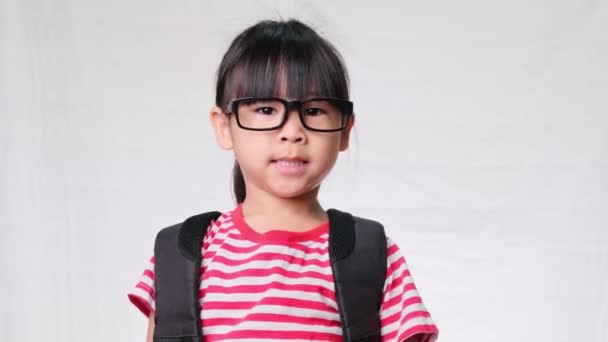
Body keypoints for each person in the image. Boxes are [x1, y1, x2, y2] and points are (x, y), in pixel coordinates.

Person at [128, 19, 439, 342]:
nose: (292, 131)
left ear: (345, 129)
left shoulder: (371, 254)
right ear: (224, 127)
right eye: (265, 109)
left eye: (315, 110)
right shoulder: (184, 252)